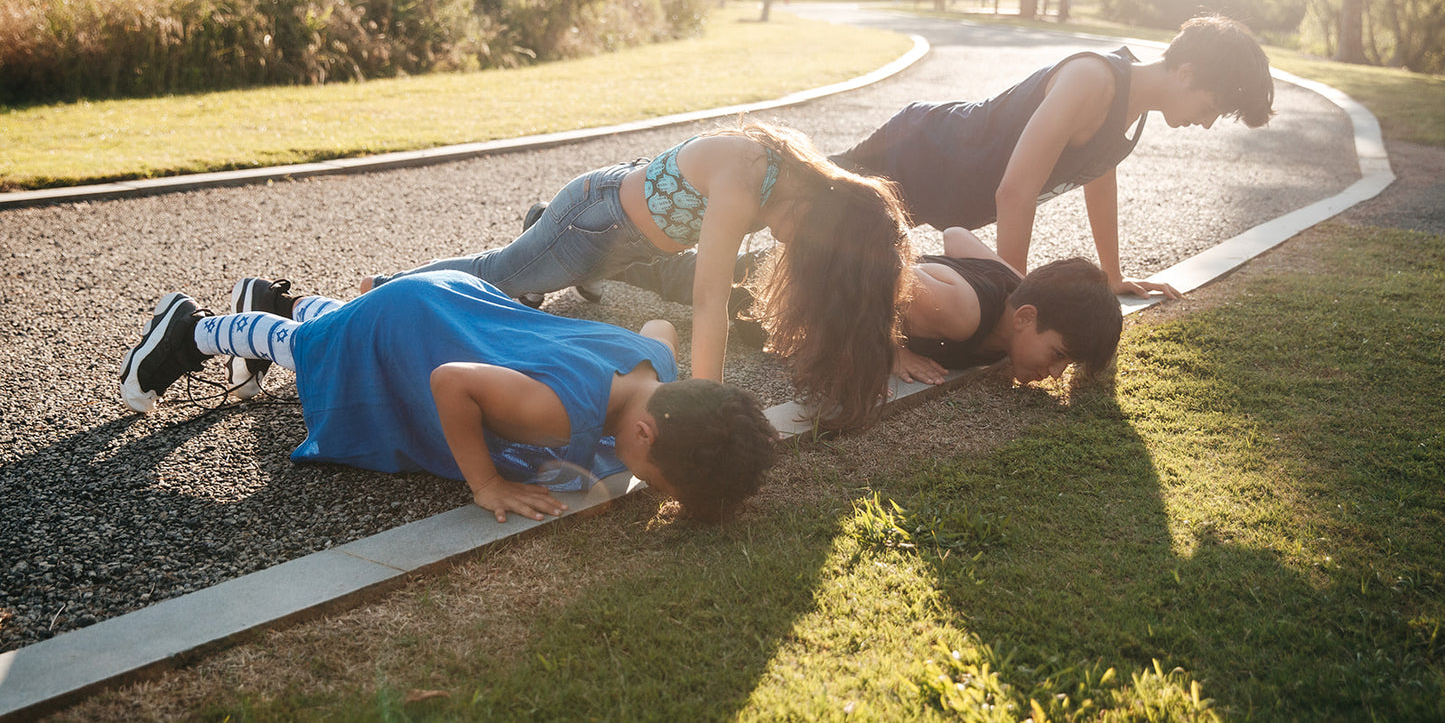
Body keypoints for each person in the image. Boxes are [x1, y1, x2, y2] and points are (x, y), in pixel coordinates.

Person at [361, 121, 915, 429]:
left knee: (525, 273)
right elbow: (708, 302)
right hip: (594, 224)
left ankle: (550, 255)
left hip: (636, 241)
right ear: (813, 209)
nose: (793, 244)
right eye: (807, 236)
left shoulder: (798, 182)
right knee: (499, 275)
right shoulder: (746, 179)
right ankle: (385, 291)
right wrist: (708, 401)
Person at [119, 271, 778, 524]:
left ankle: (271, 299)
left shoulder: (655, 363)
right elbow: (450, 382)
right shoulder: (555, 414)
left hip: (450, 305)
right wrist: (485, 482)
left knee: (338, 326)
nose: (649, 492)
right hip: (419, 333)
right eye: (659, 485)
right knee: (315, 351)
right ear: (646, 436)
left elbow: (659, 329)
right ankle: (193, 330)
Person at [834, 14, 1275, 298]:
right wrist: (1014, 301)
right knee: (792, 197)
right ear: (1186, 73)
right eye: (1210, 108)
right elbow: (1014, 194)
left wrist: (1113, 275)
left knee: (825, 258)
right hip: (917, 151)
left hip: (940, 191)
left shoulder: (1131, 105)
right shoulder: (1091, 79)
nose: (1207, 122)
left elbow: (1099, 175)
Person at [894, 227, 1122, 387]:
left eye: (1067, 363)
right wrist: (892, 351)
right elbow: (874, 275)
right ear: (1024, 318)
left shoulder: (1017, 300)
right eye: (1058, 354)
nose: (1056, 374)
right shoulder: (960, 315)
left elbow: (956, 236)